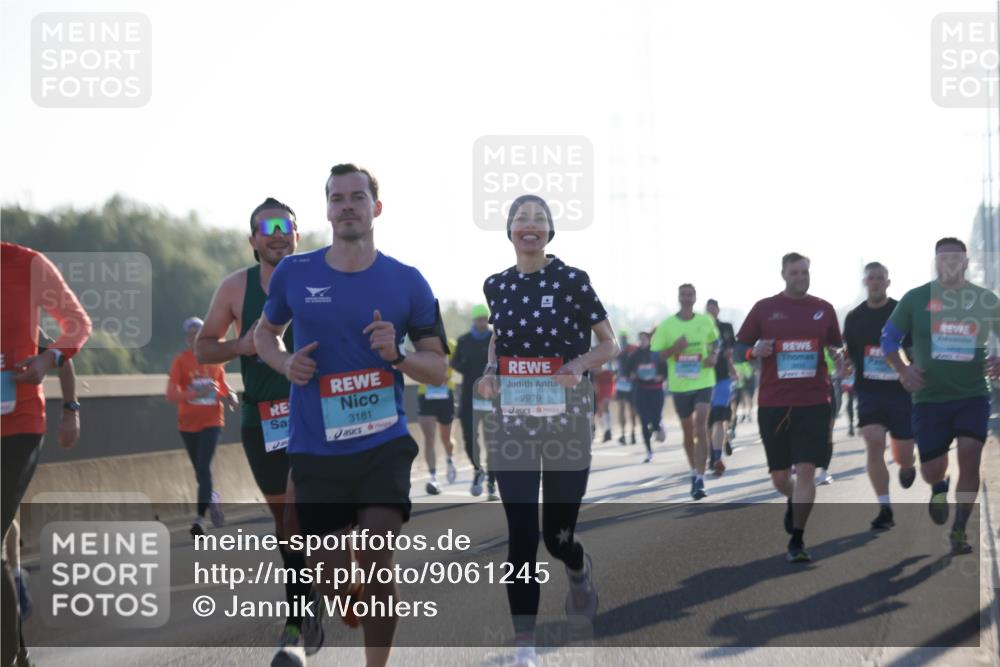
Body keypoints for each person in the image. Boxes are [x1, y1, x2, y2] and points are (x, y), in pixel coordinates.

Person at [255, 163, 448, 667]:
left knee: (379, 562)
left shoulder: (407, 282)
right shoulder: (296, 273)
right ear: (326, 210)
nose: (346, 205)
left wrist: (399, 357)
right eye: (336, 197)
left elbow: (438, 368)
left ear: (375, 208)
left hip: (381, 445)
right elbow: (264, 334)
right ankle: (344, 596)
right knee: (337, 582)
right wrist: (283, 361)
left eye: (356, 197)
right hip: (316, 448)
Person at [479, 194, 618, 667]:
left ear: (550, 232)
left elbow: (609, 343)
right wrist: (491, 370)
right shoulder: (495, 284)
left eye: (539, 219)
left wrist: (577, 366)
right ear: (510, 231)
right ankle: (525, 647)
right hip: (513, 423)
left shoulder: (572, 280)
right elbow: (500, 338)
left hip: (567, 423)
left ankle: (577, 568)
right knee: (521, 536)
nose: (530, 225)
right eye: (521, 218)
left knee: (556, 537)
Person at [195, 197, 325, 664]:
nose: (276, 233)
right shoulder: (236, 288)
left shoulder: (323, 275)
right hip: (263, 420)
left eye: (284, 226)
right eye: (265, 227)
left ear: (297, 234)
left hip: (320, 415)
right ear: (253, 240)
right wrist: (243, 344)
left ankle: (328, 588)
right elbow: (203, 349)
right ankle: (300, 614)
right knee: (287, 525)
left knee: (318, 517)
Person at [2, 242, 92, 667]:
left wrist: (49, 361)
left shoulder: (28, 265)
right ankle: (18, 652)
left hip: (18, 423)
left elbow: (76, 324)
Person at [882, 238, 1000, 554]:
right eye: (943, 258)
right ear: (936, 262)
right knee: (931, 468)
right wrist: (903, 370)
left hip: (973, 394)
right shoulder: (916, 299)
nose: (949, 263)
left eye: (955, 258)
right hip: (929, 398)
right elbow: (888, 339)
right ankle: (938, 486)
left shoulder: (986, 299)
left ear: (966, 262)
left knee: (971, 458)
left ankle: (960, 529)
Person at [735, 252, 844, 563]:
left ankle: (797, 539)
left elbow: (836, 344)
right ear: (783, 275)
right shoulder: (764, 309)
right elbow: (738, 348)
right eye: (795, 273)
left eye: (805, 272)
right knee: (781, 478)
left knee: (807, 470)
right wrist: (753, 351)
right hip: (774, 403)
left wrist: (838, 355)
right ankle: (792, 501)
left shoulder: (823, 310)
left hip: (814, 402)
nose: (801, 277)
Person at [842, 261, 917, 531]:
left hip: (900, 393)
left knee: (904, 456)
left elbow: (913, 350)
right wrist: (844, 364)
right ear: (865, 283)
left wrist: (910, 369)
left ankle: (908, 467)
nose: (875, 282)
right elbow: (848, 353)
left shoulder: (901, 312)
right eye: (870, 278)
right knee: (874, 442)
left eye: (880, 278)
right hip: (869, 393)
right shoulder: (854, 318)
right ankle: (885, 507)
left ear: (887, 282)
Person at [167, 317, 236, 538]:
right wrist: (194, 394)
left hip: (212, 421)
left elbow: (222, 385)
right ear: (186, 338)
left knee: (204, 466)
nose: (194, 337)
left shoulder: (214, 361)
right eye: (190, 334)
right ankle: (212, 498)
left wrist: (231, 395)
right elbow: (170, 394)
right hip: (187, 424)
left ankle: (199, 519)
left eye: (198, 333)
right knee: (199, 471)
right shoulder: (181, 361)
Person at [650, 284, 720, 500]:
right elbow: (655, 356)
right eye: (683, 295)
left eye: (690, 295)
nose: (687, 298)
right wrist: (674, 349)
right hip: (680, 385)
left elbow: (715, 341)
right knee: (688, 433)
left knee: (700, 426)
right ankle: (692, 471)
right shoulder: (667, 326)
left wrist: (713, 355)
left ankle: (700, 479)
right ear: (678, 298)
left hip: (703, 381)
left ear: (695, 298)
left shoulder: (704, 321)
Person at [451, 304, 496, 497]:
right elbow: (454, 362)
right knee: (469, 437)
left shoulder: (495, 340)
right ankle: (478, 469)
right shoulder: (464, 340)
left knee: (492, 440)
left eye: (485, 318)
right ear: (473, 320)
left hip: (492, 397)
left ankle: (492, 482)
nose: (482, 322)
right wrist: (466, 367)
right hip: (470, 396)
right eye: (478, 319)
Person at [417, 340, 458, 495]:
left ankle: (450, 459)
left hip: (445, 395)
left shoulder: (451, 345)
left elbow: (457, 364)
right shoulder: (419, 345)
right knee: (429, 437)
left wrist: (445, 375)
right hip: (425, 395)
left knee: (446, 439)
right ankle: (433, 476)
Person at [706, 298, 738, 475]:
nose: (711, 312)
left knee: (719, 418)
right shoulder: (700, 328)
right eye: (708, 309)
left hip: (723, 378)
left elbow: (732, 350)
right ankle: (715, 451)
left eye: (713, 309)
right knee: (707, 422)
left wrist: (731, 363)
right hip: (704, 380)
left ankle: (717, 457)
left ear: (718, 310)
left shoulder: (726, 327)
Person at [626, 331, 668, 462]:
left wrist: (661, 376)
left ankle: (657, 425)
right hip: (641, 391)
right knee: (644, 422)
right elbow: (627, 370)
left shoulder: (656, 353)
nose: (642, 341)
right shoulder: (635, 355)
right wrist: (631, 375)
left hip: (656, 390)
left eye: (645, 338)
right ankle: (649, 452)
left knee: (655, 420)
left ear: (649, 340)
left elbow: (665, 369)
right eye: (640, 339)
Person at [613, 331, 638, 445]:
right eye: (621, 337)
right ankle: (623, 433)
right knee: (622, 408)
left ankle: (633, 433)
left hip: (631, 382)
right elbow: (613, 366)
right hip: (621, 383)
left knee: (632, 409)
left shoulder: (633, 349)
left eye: (624, 337)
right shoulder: (616, 350)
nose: (623, 339)